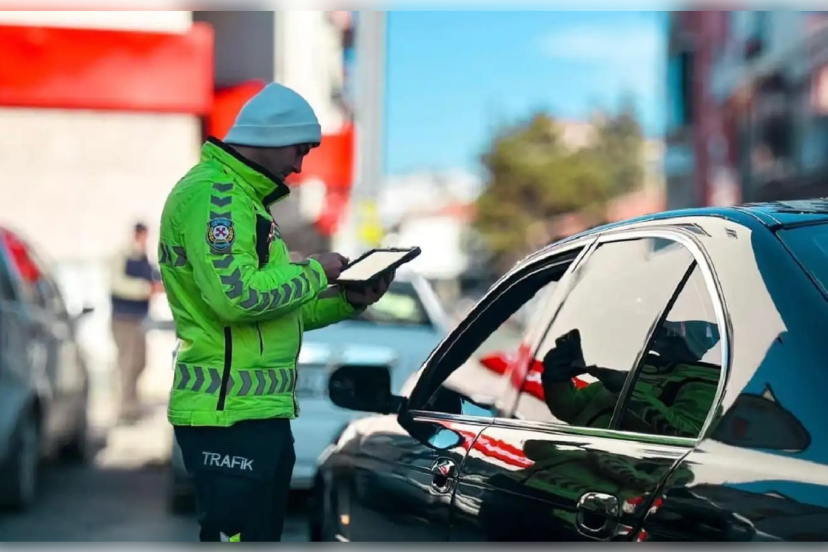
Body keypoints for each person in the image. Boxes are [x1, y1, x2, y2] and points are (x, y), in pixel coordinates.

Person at [158, 82, 392, 542]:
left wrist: (349, 299)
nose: (300, 165)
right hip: (227, 418)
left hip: (254, 415)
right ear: (272, 135)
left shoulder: (245, 200)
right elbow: (237, 297)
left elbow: (278, 313)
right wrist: (316, 271)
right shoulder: (217, 196)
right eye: (299, 149)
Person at [540, 321, 720, 438]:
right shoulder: (642, 374)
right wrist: (557, 378)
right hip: (566, 470)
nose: (658, 339)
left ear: (695, 351)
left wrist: (628, 393)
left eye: (672, 335)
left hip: (618, 481)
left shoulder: (702, 385)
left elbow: (686, 435)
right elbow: (573, 410)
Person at [110, 222, 162, 424]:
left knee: (139, 362)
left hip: (139, 319)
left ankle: (132, 404)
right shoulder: (122, 256)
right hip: (123, 320)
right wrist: (145, 289)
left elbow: (154, 277)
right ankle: (125, 409)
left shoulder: (143, 258)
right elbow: (117, 283)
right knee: (128, 364)